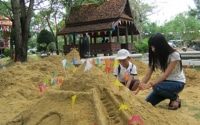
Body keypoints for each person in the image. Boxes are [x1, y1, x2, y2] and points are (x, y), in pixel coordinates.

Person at [136, 33, 186, 110]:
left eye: (154, 47)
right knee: (148, 102)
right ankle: (168, 95)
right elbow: (147, 75)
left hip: (177, 83)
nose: (152, 49)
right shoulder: (155, 57)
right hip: (164, 84)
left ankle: (175, 98)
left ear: (161, 46)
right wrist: (137, 90)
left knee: (156, 87)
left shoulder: (174, 55)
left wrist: (150, 85)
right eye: (151, 47)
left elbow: (165, 75)